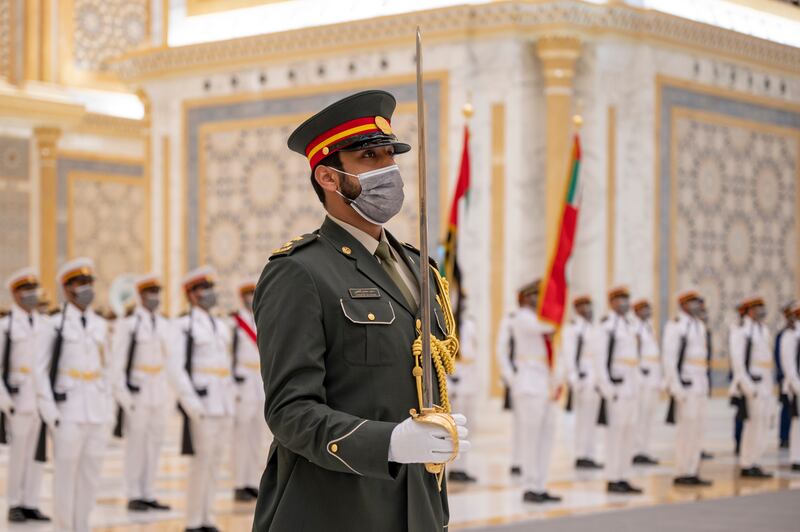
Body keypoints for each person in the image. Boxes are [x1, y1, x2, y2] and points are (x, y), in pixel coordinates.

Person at [251, 90, 469, 532]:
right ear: (329, 178)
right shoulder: (301, 272)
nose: (387, 170)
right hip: (335, 507)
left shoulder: (417, 265)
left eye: (390, 155)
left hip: (415, 504)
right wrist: (388, 441)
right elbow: (290, 411)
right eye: (369, 157)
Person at [34, 258, 111, 532]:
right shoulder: (53, 324)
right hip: (67, 412)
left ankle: (82, 526)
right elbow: (39, 372)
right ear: (66, 289)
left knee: (90, 477)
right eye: (81, 284)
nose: (87, 288)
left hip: (95, 411)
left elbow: (106, 369)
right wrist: (50, 413)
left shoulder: (100, 325)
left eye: (90, 283)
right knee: (65, 479)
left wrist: (108, 410)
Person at [168, 266, 235, 532]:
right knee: (200, 464)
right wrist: (192, 405)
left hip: (223, 404)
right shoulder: (183, 326)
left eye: (210, 288)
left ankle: (208, 516)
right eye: (203, 289)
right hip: (203, 405)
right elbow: (176, 370)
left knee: (216, 463)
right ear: (192, 295)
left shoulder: (221, 325)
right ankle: (193, 520)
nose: (209, 294)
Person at [110, 273, 172, 512]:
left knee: (154, 445)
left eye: (157, 293)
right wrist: (127, 400)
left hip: (158, 394)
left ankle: (148, 492)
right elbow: (116, 366)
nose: (154, 297)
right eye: (149, 293)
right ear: (139, 296)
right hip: (137, 395)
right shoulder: (128, 325)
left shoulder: (164, 324)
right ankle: (133, 493)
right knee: (136, 447)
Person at [502, 280, 561, 503]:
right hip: (527, 385)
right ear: (525, 298)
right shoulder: (522, 318)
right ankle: (529, 486)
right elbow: (546, 327)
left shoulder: (538, 319)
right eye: (535, 296)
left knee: (546, 437)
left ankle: (541, 484)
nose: (539, 300)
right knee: (531, 438)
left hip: (544, 384)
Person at [0, 268, 49, 522]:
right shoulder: (5, 326)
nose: (30, 295)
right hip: (18, 399)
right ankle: (14, 502)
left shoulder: (45, 324)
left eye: (33, 290)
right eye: (25, 290)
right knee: (18, 454)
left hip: (40, 400)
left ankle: (31, 501)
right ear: (15, 294)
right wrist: (4, 401)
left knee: (38, 454)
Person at [662, 291, 713, 486]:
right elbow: (670, 360)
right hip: (686, 386)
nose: (697, 306)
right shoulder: (676, 326)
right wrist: (676, 387)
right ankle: (682, 471)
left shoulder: (699, 326)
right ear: (683, 305)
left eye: (698, 303)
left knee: (698, 430)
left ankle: (693, 470)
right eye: (693, 303)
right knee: (686, 431)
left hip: (700, 386)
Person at [596, 286, 643, 494]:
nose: (624, 303)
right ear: (611, 303)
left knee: (629, 433)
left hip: (632, 387)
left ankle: (624, 475)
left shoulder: (630, 326)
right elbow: (600, 360)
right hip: (617, 387)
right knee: (615, 435)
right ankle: (613, 477)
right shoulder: (607, 327)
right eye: (619, 299)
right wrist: (607, 388)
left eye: (626, 299)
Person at [230, 280, 271, 500]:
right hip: (242, 384)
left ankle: (251, 481)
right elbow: (228, 356)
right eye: (247, 295)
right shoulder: (234, 323)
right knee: (241, 437)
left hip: (258, 383)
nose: (251, 298)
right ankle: (238, 483)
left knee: (256, 436)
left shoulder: (258, 320)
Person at [729, 297, 776, 478]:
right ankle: (747, 462)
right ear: (748, 311)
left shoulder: (763, 330)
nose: (761, 311)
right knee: (752, 425)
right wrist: (747, 386)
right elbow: (738, 361)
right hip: (752, 384)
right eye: (757, 308)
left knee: (762, 424)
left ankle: (756, 461)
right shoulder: (741, 330)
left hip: (764, 384)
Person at [561, 294, 603, 469]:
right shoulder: (572, 329)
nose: (588, 310)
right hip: (582, 378)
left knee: (591, 418)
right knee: (582, 419)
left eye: (589, 306)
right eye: (583, 306)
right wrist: (574, 378)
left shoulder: (592, 327)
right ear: (576, 309)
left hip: (594, 379)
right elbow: (569, 355)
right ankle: (580, 454)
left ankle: (590, 454)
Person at [496, 287, 528, 476]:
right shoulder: (511, 320)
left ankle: (526, 460)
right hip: (518, 377)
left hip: (530, 377)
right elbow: (502, 350)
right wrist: (510, 376)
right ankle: (517, 460)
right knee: (519, 422)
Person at [448, 305, 478, 483]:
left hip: (469, 379)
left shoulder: (469, 323)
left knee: (468, 427)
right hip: (455, 380)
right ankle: (453, 466)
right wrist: (451, 378)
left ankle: (462, 467)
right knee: (454, 428)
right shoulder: (449, 322)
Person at [631, 299, 661, 466]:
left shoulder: (649, 327)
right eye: (643, 309)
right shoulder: (635, 328)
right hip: (642, 376)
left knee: (649, 415)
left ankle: (645, 449)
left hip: (652, 376)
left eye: (648, 309)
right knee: (640, 414)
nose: (647, 312)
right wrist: (640, 373)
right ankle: (636, 450)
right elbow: (635, 352)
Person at [778, 303, 800, 471]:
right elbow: (789, 364)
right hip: (797, 386)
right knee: (797, 423)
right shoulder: (791, 335)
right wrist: (796, 385)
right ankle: (796, 458)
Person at [776, 301, 797, 449]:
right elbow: (781, 359)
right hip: (788, 380)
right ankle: (784, 437)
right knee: (788, 410)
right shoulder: (785, 335)